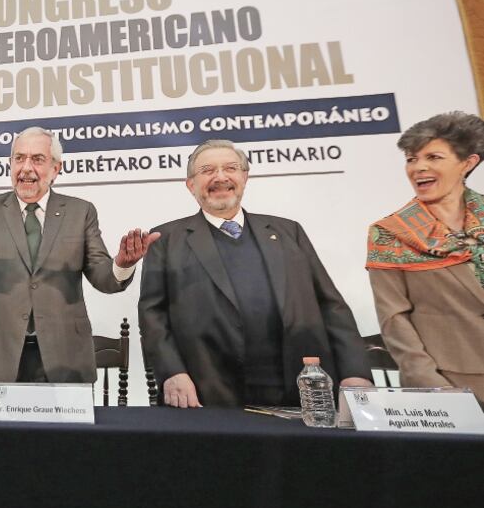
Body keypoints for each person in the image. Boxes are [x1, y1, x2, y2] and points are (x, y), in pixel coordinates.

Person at [139, 139, 372, 408]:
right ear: (191, 184)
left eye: (230, 168)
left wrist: (355, 371)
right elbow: (152, 314)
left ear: (244, 177)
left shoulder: (288, 231)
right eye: (207, 171)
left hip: (300, 388)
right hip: (207, 391)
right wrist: (172, 373)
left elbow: (331, 305)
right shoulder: (166, 239)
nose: (220, 177)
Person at [0, 126, 154, 383]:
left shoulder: (81, 212)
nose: (26, 168)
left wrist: (122, 264)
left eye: (37, 159)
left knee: (64, 426)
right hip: (1, 352)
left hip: (65, 354)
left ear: (56, 169)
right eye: (19, 158)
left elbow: (102, 276)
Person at [367, 111, 484, 402]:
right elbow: (394, 321)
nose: (419, 168)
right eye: (411, 159)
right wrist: (435, 390)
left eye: (433, 158)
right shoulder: (390, 232)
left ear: (467, 163)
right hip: (454, 384)